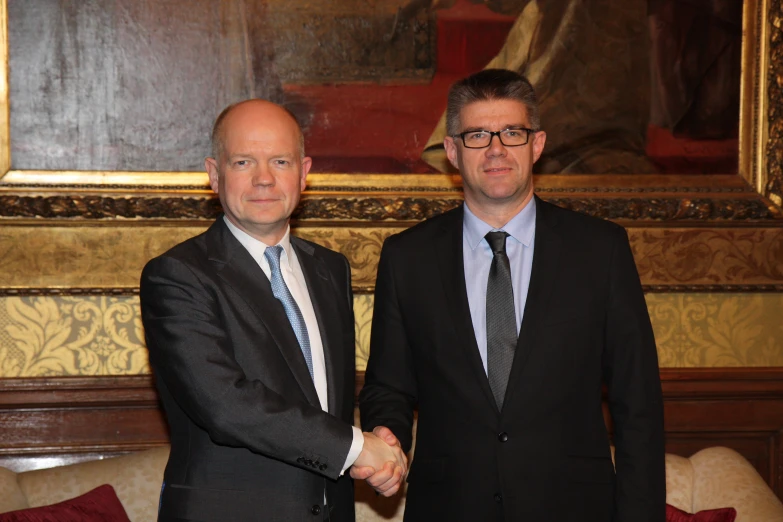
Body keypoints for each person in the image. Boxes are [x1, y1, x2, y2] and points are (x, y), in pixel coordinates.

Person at [360, 69, 665, 521]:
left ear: (537, 144)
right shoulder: (408, 257)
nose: (497, 149)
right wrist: (386, 434)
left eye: (512, 133)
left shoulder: (600, 250)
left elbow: (637, 402)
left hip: (574, 509)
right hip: (450, 507)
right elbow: (388, 385)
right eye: (478, 134)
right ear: (452, 151)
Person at [140, 99, 406, 522]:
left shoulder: (330, 269)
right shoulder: (177, 275)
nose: (264, 179)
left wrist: (380, 442)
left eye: (280, 161)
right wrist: (356, 447)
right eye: (244, 161)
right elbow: (225, 405)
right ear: (214, 174)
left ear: (303, 174)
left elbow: (324, 400)